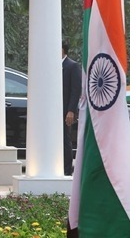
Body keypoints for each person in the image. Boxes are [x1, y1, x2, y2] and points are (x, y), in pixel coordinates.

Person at [62, 43, 82, 176]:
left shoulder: (72, 66)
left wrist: (71, 111)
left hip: (65, 110)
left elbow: (76, 90)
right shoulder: (50, 65)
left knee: (65, 139)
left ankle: (67, 170)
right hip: (52, 111)